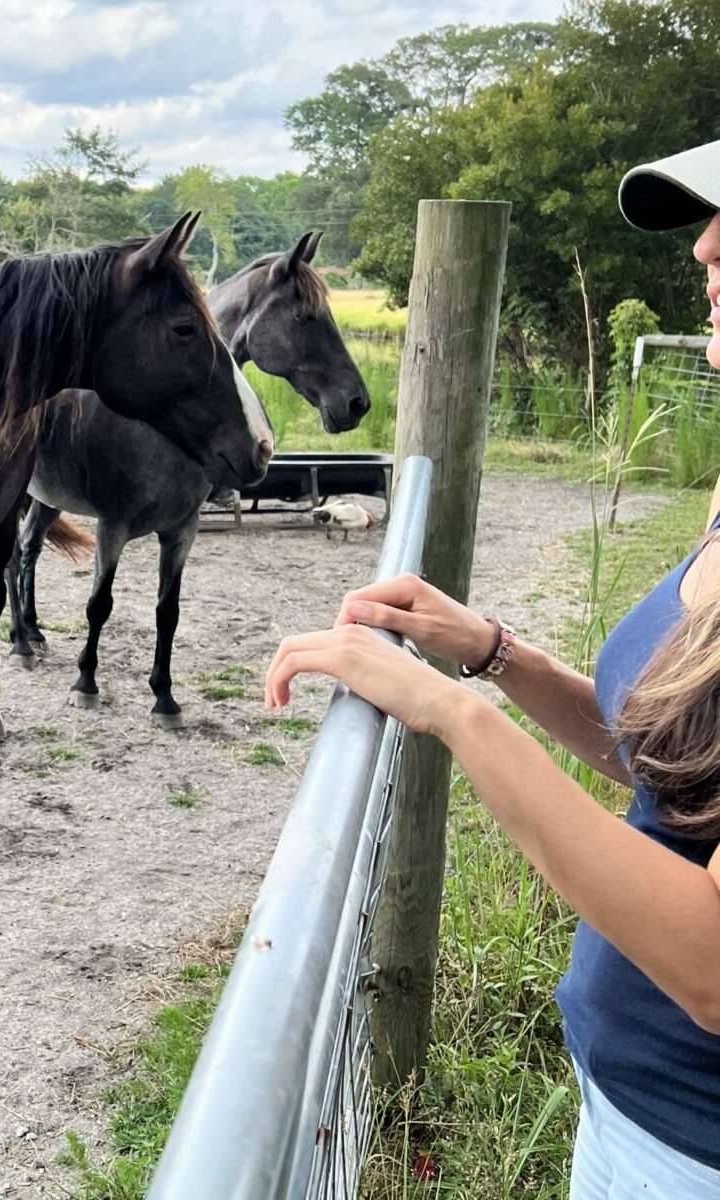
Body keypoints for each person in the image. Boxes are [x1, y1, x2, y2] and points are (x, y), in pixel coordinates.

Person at [265, 138, 720, 1198]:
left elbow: (712, 968)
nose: (706, 248)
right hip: (630, 1105)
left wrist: (456, 715)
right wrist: (497, 656)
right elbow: (681, 769)